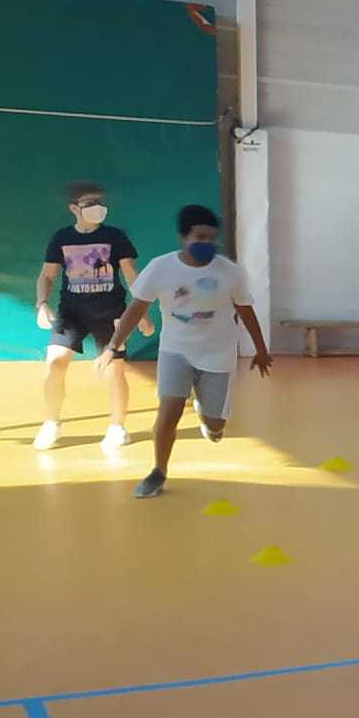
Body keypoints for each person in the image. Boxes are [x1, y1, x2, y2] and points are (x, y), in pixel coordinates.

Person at [100, 205, 271, 499]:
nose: (206, 243)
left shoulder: (230, 272)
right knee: (168, 412)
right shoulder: (161, 268)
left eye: (211, 238)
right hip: (175, 351)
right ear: (183, 237)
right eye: (199, 237)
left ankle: (207, 416)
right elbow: (137, 308)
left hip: (218, 354)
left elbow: (246, 310)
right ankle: (158, 471)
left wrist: (261, 350)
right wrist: (113, 345)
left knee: (216, 427)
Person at [32, 181, 152, 451]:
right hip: (71, 312)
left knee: (114, 369)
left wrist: (140, 311)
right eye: (89, 204)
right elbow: (47, 275)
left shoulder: (116, 236)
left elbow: (130, 273)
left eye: (100, 203)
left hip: (110, 313)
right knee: (55, 363)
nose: (97, 208)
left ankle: (118, 427)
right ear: (74, 208)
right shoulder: (61, 238)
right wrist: (42, 303)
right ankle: (51, 423)